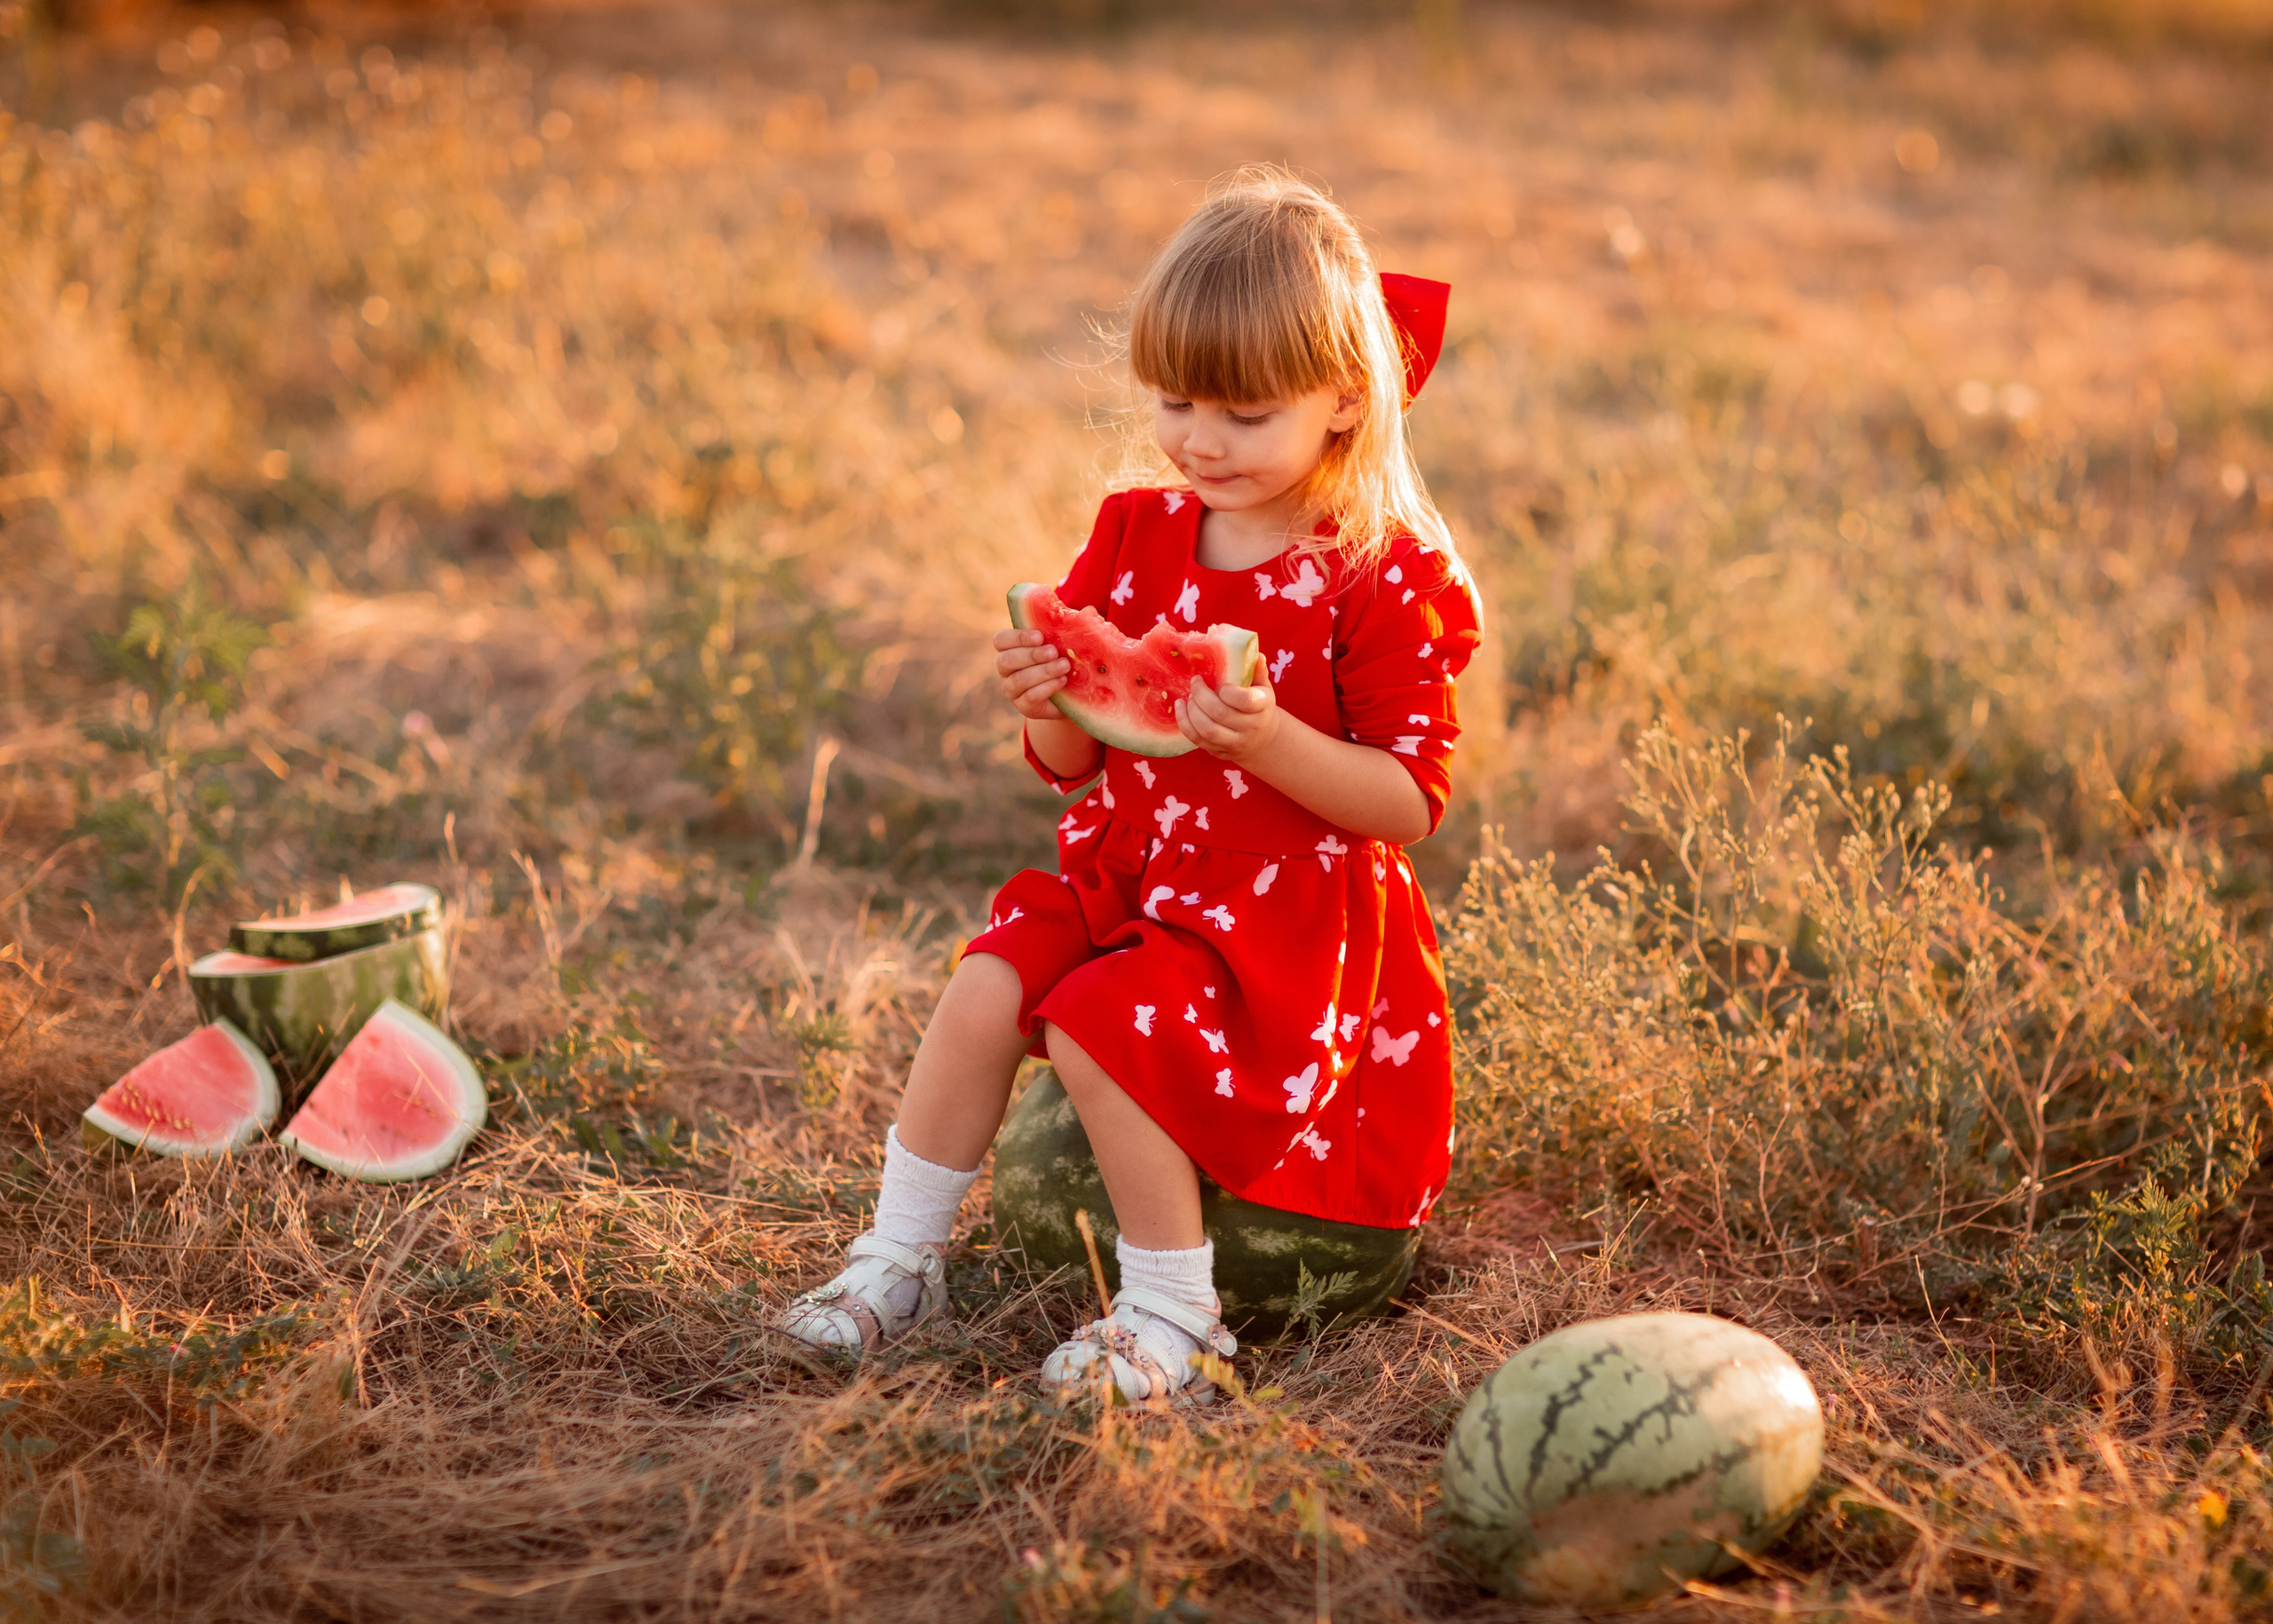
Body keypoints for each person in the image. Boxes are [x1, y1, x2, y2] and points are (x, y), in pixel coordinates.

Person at [780, 166, 1482, 1404]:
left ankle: (1175, 1316)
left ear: (1346, 400)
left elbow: (1410, 802)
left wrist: (1266, 741)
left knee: (1110, 1018)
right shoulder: (1131, 534)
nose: (1202, 439)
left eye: (1247, 413)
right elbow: (1075, 771)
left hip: (1284, 942)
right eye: (1177, 401)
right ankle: (896, 1263)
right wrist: (1049, 698)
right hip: (1133, 885)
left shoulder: (1378, 575)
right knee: (990, 977)